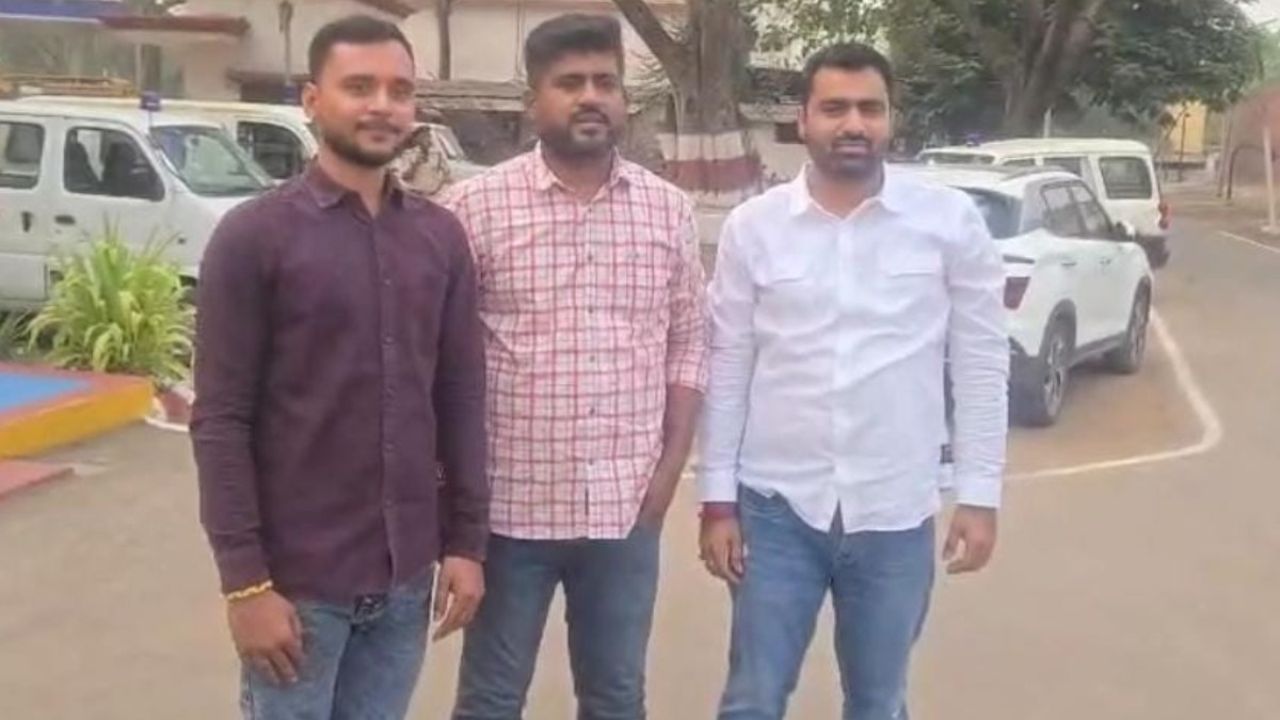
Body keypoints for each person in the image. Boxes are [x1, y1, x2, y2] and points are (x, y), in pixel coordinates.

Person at [697, 42, 1009, 720]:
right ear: (803, 120)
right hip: (775, 509)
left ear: (891, 119)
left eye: (870, 108)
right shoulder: (754, 228)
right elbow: (728, 363)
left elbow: (981, 362)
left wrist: (980, 494)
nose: (854, 124)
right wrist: (717, 500)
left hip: (895, 510)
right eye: (835, 108)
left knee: (877, 701)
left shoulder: (948, 222)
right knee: (752, 699)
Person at [191, 15, 488, 719]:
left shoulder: (440, 239)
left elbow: (459, 399)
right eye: (359, 87)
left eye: (399, 90)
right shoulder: (253, 238)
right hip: (298, 590)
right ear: (312, 100)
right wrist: (245, 584)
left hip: (405, 581)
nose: (382, 105)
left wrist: (466, 543)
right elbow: (221, 421)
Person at [440, 13, 709, 720]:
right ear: (534, 101)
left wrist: (668, 469)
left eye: (605, 82)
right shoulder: (472, 209)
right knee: (491, 700)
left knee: (616, 697)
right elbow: (442, 360)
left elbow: (688, 341)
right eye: (569, 83)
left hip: (626, 510)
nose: (590, 96)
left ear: (623, 99)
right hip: (510, 511)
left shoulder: (667, 211)